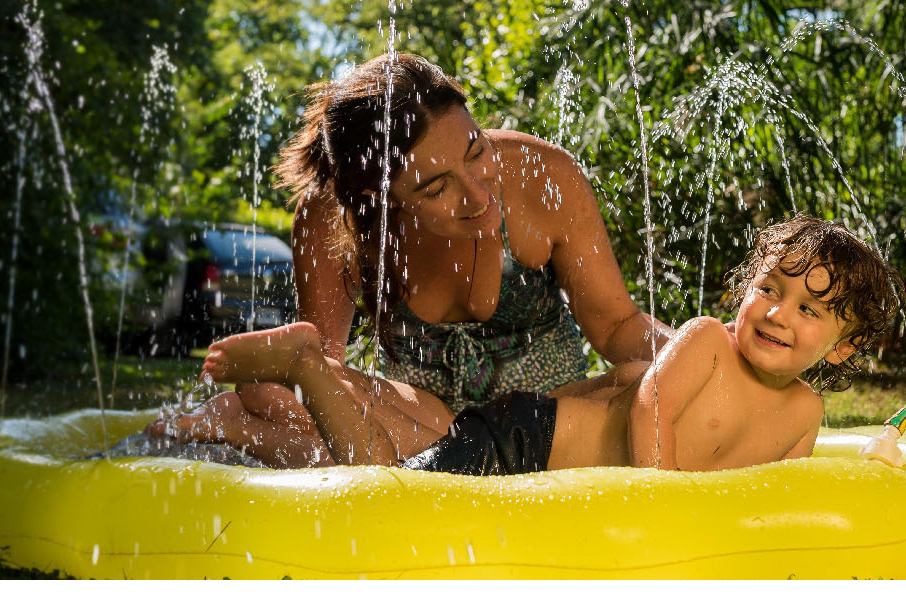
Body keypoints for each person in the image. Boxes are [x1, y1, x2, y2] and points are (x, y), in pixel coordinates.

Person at [155, 52, 675, 467]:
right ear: (380, 197)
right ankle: (246, 419)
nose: (476, 195)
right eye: (435, 188)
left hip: (548, 415)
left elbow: (617, 326)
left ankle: (231, 425)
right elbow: (329, 378)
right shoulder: (331, 216)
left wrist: (695, 348)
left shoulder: (542, 177)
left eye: (475, 151)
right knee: (274, 395)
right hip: (414, 416)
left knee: (638, 376)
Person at [158, 216, 902, 473]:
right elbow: (649, 403)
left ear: (841, 348)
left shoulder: (805, 413)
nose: (778, 311)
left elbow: (776, 491)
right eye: (770, 288)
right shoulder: (706, 340)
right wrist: (661, 507)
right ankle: (304, 365)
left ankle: (247, 422)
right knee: (380, 481)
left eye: (810, 309)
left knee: (378, 464)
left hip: (541, 439)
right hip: (522, 441)